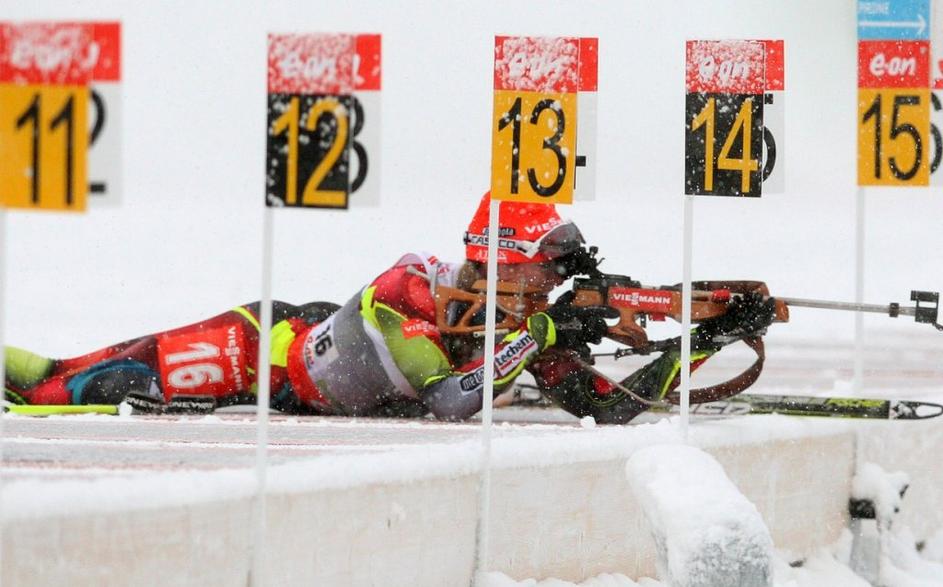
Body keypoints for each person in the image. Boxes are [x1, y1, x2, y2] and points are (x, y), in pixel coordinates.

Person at [3, 192, 776, 422]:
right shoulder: (404, 290)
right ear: (502, 263)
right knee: (70, 385)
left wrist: (706, 337)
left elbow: (610, 404)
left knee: (68, 381)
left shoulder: (513, 323)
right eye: (542, 275)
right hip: (256, 350)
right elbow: (447, 397)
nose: (549, 291)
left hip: (287, 363)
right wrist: (540, 328)